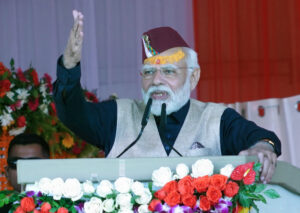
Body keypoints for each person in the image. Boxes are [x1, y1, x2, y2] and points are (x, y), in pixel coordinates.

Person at [53, 10, 281, 184]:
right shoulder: (117, 115)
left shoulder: (216, 119)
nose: (156, 81)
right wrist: (69, 67)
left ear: (193, 77)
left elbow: (264, 138)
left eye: (169, 71)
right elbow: (73, 114)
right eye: (149, 72)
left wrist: (263, 147)